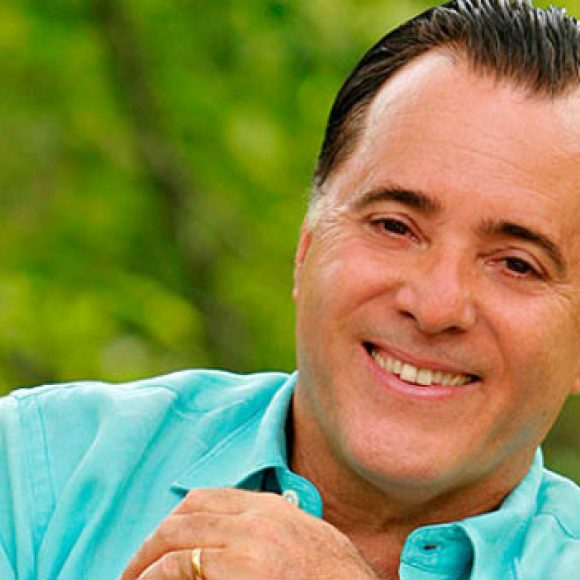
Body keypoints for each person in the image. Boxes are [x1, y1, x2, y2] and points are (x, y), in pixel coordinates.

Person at [2, 0, 580, 578]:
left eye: (517, 264)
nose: (434, 306)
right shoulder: (38, 471)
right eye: (394, 226)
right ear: (306, 250)